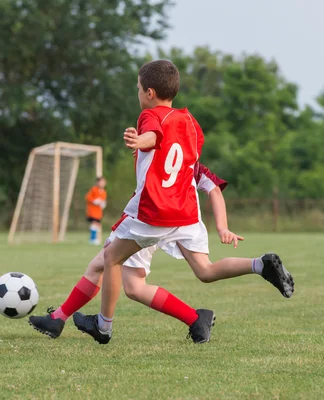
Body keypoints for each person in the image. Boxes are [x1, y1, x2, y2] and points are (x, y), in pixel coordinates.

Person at [70, 60, 294, 345]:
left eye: (138, 88)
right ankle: (260, 265)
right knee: (205, 270)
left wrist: (141, 141)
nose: (137, 93)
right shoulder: (189, 121)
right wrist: (222, 227)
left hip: (156, 211)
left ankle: (103, 326)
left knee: (111, 259)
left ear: (149, 92)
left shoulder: (150, 115)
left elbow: (155, 135)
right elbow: (196, 166)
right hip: (185, 212)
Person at [29, 161, 268, 341]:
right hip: (164, 221)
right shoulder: (188, 158)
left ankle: (91, 324)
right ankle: (196, 319)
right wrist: (222, 226)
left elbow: (205, 187)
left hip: (145, 221)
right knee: (133, 285)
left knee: (108, 267)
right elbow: (213, 189)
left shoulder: (166, 144)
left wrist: (143, 142)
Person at [85, 176, 107, 245]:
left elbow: (103, 200)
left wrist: (103, 204)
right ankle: (92, 239)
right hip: (92, 211)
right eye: (101, 181)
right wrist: (94, 201)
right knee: (94, 224)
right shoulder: (94, 189)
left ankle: (95, 238)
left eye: (104, 182)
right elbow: (88, 197)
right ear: (97, 182)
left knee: (97, 225)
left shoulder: (104, 192)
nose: (103, 183)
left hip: (98, 212)